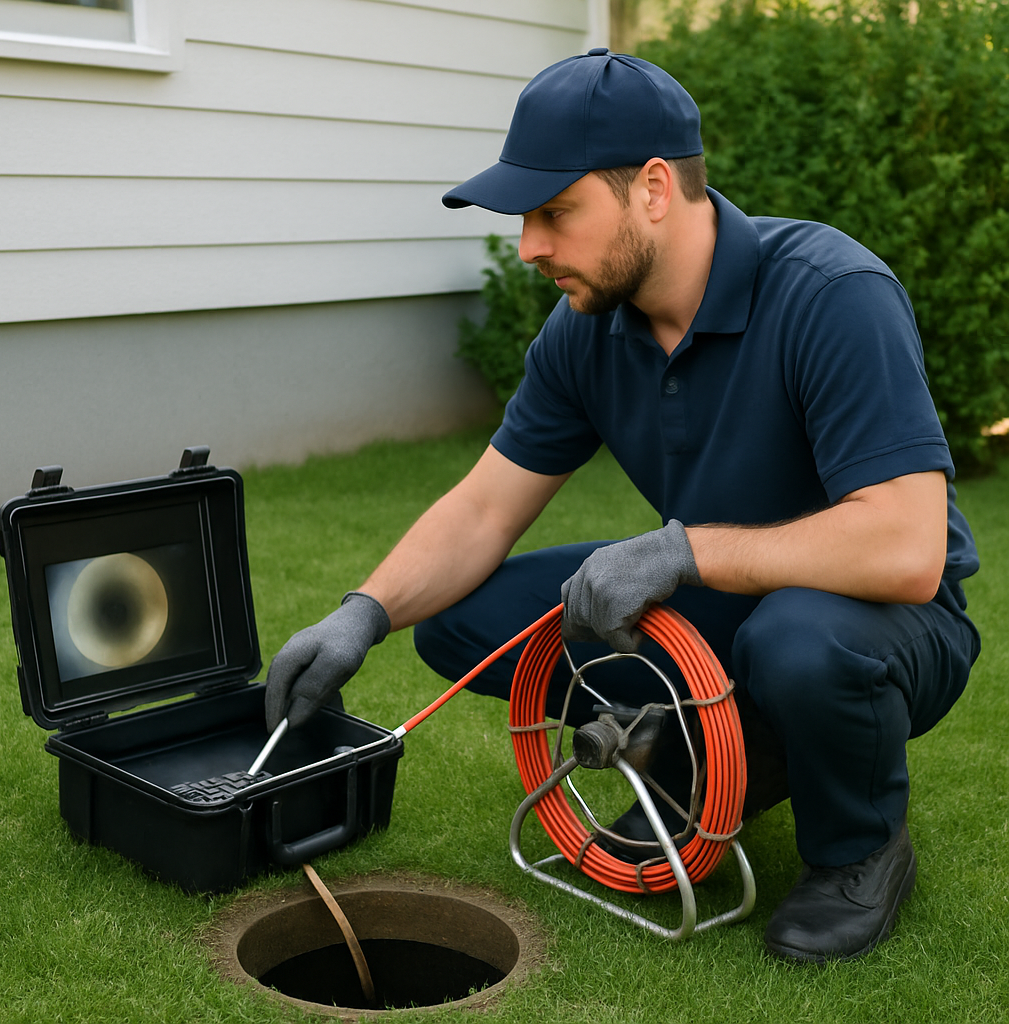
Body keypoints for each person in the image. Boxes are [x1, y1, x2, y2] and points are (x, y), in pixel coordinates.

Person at [264, 49, 980, 963]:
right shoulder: (586, 331)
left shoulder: (833, 296)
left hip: (884, 625)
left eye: (555, 212)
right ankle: (719, 757)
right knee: (464, 626)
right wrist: (362, 614)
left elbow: (908, 548)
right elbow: (484, 510)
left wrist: (681, 554)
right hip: (730, 601)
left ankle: (860, 848)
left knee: (795, 642)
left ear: (651, 188)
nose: (529, 246)